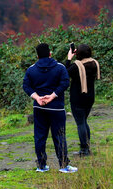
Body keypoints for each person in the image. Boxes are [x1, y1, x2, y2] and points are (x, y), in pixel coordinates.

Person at [23, 43, 77, 173]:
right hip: (56, 108)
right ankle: (63, 165)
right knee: (59, 136)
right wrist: (53, 96)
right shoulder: (60, 67)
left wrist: (37, 97)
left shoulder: (31, 69)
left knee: (40, 137)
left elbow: (26, 86)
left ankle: (41, 165)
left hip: (39, 107)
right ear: (50, 53)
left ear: (37, 56)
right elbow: (65, 83)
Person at [66, 43, 100, 156]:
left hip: (78, 98)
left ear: (78, 54)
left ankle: (84, 150)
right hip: (90, 97)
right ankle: (86, 147)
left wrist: (69, 58)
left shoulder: (77, 66)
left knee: (80, 123)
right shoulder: (94, 63)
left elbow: (64, 73)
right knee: (84, 122)